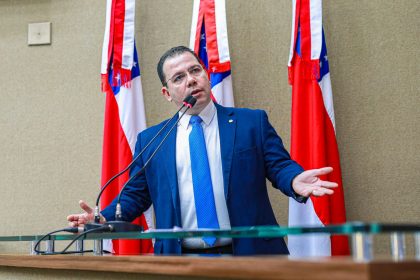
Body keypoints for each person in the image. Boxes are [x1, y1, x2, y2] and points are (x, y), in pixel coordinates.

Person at [67, 46, 338, 256]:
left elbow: (278, 165)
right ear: (167, 93)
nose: (191, 80)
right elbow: (135, 196)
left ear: (206, 75)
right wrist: (100, 218)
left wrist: (293, 179)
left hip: (251, 256)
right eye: (179, 77)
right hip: (181, 261)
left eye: (195, 71)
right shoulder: (152, 140)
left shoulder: (250, 123)